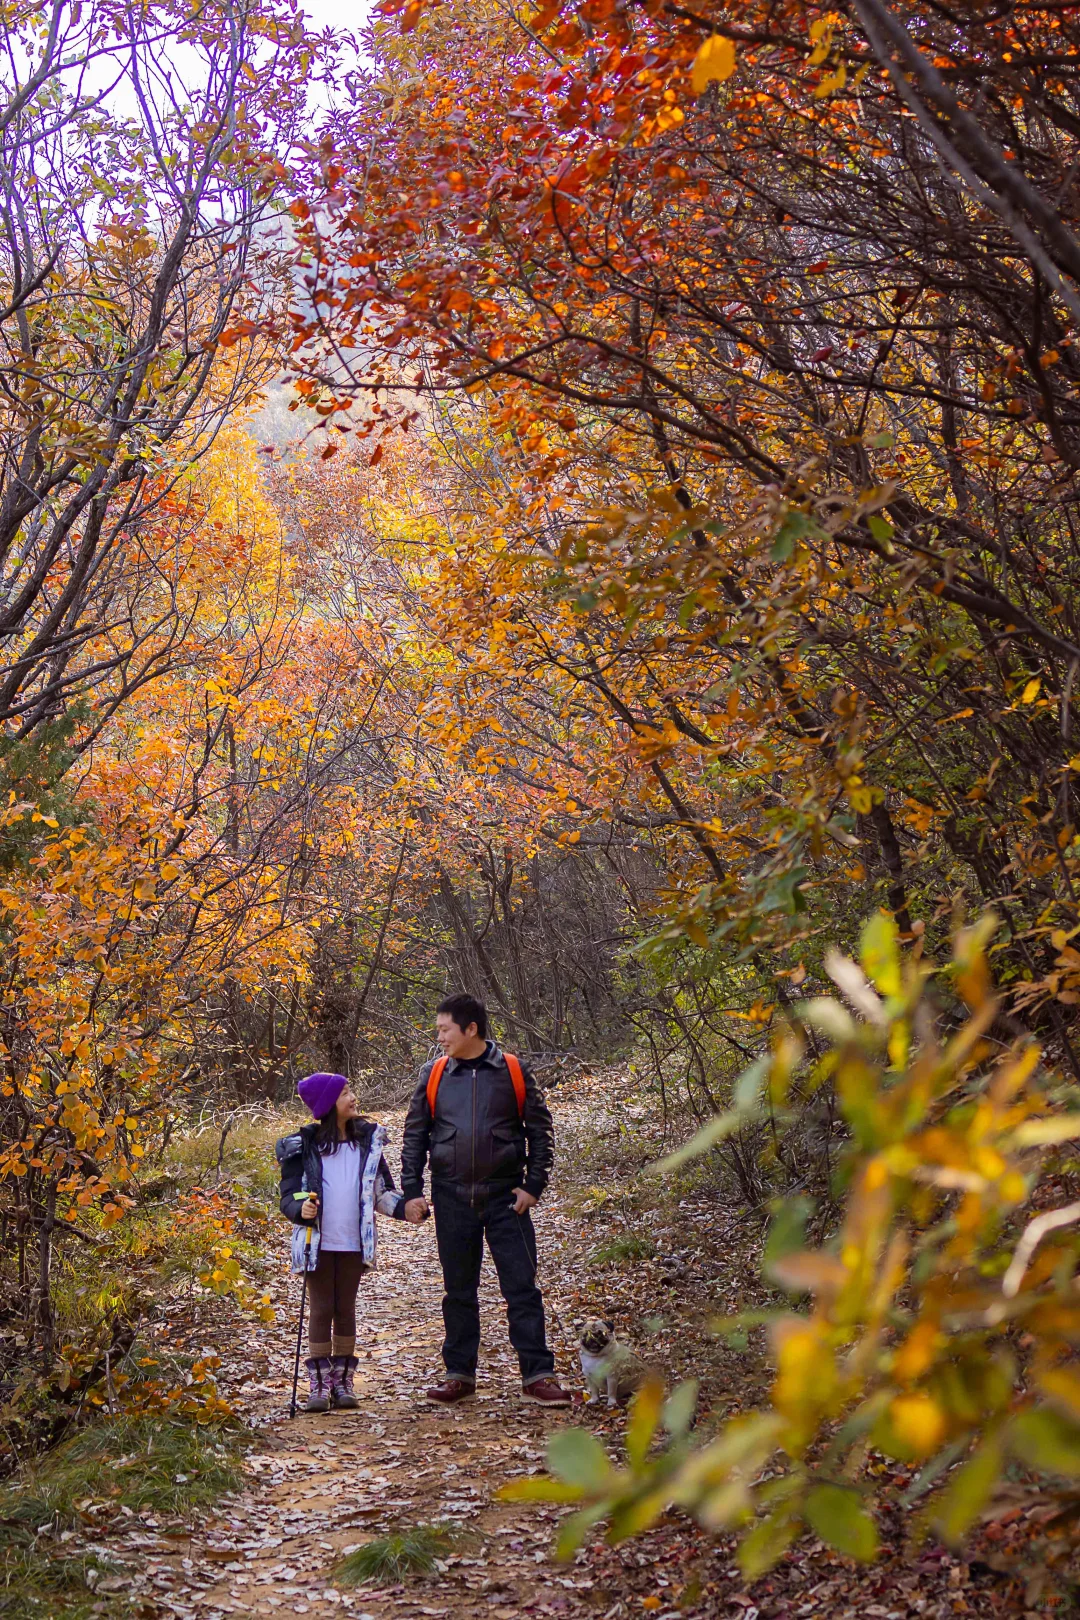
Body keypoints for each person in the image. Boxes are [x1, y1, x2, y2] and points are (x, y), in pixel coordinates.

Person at [401, 994, 571, 1407]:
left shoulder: (513, 1071)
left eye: (444, 1029)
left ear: (470, 1029)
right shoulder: (434, 1074)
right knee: (458, 1290)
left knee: (521, 1288)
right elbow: (415, 1136)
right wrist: (412, 1191)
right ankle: (459, 1374)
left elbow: (540, 1133)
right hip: (451, 1198)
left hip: (505, 1200)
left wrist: (533, 1187)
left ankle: (537, 1375)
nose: (439, 1037)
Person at [276, 1073, 423, 1412]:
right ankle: (319, 1385)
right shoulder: (302, 1147)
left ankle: (342, 1383)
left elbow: (381, 1194)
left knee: (345, 1309)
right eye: (346, 1093)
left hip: (355, 1242)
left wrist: (406, 1210)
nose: (354, 1097)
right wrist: (302, 1208)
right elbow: (289, 1196)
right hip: (318, 1241)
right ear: (328, 1104)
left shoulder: (367, 1145)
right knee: (322, 1307)